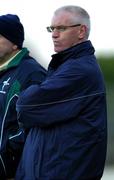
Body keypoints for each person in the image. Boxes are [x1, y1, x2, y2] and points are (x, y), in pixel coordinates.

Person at [15, 5, 107, 180]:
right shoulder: (65, 66)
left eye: (61, 28)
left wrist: (30, 92)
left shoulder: (80, 70)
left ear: (81, 31)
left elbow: (26, 105)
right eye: (52, 28)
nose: (54, 34)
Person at [0, 14, 46, 179]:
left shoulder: (32, 73)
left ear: (14, 43)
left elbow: (36, 124)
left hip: (14, 171)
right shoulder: (3, 71)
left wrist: (8, 151)